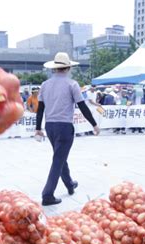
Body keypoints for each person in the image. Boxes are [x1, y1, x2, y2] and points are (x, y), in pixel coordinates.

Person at [35, 52, 100, 206]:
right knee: (58, 159)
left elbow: (40, 108)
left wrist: (38, 128)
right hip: (64, 126)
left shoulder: (44, 85)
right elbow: (82, 106)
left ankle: (70, 184)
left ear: (54, 68)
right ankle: (47, 194)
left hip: (50, 126)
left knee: (60, 155)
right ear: (68, 67)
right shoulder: (72, 84)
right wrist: (94, 124)